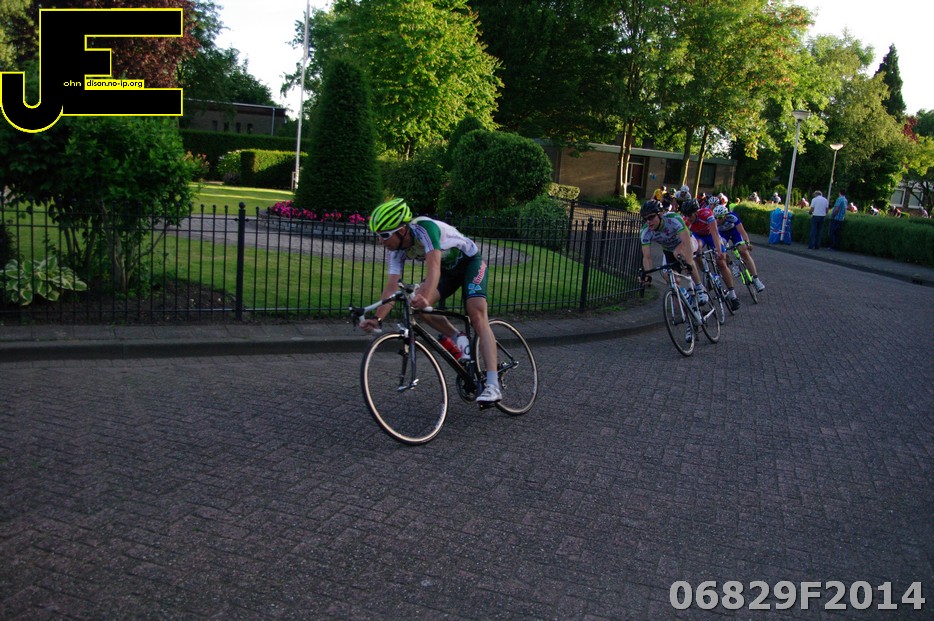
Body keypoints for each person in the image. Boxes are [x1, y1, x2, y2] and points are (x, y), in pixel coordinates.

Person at [359, 198, 502, 405]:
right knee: (419, 309)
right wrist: (378, 319)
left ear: (401, 230)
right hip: (448, 272)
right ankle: (458, 338)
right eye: (378, 236)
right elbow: (391, 288)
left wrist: (424, 296)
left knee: (477, 315)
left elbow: (433, 267)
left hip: (470, 264)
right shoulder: (396, 251)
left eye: (384, 235)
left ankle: (493, 385)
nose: (380, 241)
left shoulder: (424, 229)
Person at [638, 199, 709, 343]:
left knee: (679, 254)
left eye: (651, 217)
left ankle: (699, 287)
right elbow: (647, 256)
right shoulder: (645, 231)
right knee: (671, 281)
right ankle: (690, 320)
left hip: (687, 243)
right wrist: (648, 275)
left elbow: (687, 243)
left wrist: (688, 263)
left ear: (660, 214)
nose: (648, 222)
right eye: (645, 219)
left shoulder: (673, 219)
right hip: (669, 251)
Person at [681, 196, 740, 310]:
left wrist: (719, 251)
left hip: (711, 235)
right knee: (697, 249)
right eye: (686, 215)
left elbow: (714, 233)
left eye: (690, 215)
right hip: (699, 237)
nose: (688, 218)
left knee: (721, 262)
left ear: (696, 212)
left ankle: (732, 295)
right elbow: (686, 239)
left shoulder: (706, 214)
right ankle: (706, 271)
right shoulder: (685, 221)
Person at [713, 204, 765, 292]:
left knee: (744, 252)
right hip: (723, 235)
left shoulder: (732, 217)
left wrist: (747, 242)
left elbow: (742, 231)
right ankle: (733, 264)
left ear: (725, 216)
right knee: (721, 253)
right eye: (716, 217)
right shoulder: (713, 221)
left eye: (720, 217)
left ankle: (756, 279)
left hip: (734, 232)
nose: (718, 220)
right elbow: (715, 236)